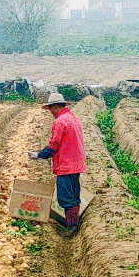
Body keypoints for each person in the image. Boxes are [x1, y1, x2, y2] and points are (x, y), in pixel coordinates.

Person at [29, 91, 86, 235]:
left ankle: (71, 227)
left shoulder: (60, 122)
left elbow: (53, 146)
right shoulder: (73, 118)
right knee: (74, 195)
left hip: (66, 165)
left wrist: (39, 155)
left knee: (66, 197)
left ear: (54, 107)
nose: (51, 112)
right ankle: (73, 223)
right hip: (76, 163)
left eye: (50, 109)